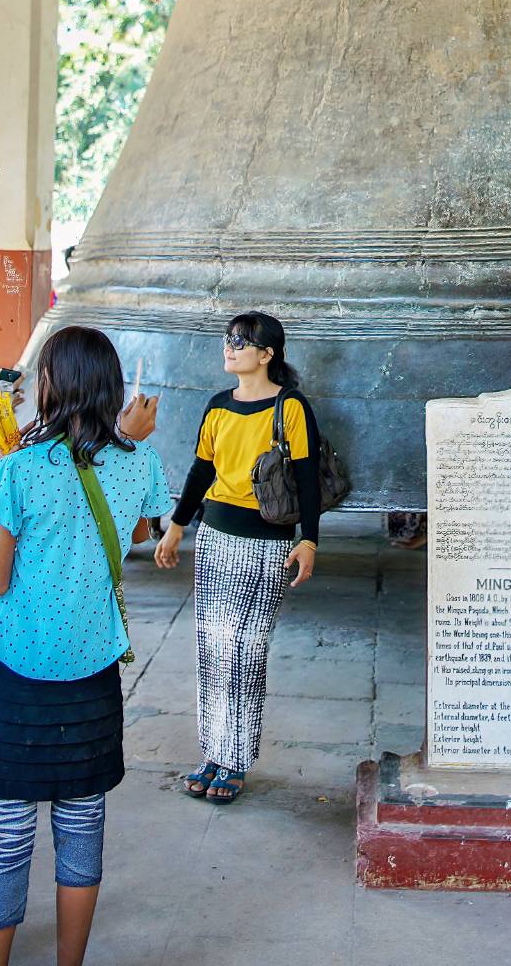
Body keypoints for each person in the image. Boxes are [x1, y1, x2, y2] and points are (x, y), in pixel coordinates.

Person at [0, 325, 171, 966]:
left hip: (19, 677)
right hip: (93, 674)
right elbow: (139, 531)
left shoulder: (20, 470)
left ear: (51, 386)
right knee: (82, 828)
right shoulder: (141, 461)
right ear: (113, 388)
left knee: (5, 836)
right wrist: (126, 444)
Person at [155, 312, 320, 805]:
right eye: (227, 340)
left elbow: (308, 478)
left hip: (266, 543)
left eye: (240, 342)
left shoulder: (290, 407)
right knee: (212, 649)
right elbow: (200, 471)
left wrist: (308, 540)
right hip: (214, 538)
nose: (228, 348)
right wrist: (177, 526)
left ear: (268, 354)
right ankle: (213, 751)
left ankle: (236, 759)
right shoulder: (217, 406)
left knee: (245, 652)